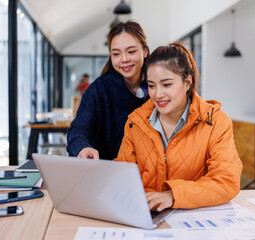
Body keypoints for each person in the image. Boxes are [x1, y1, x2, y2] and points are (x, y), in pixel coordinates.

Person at [115, 42, 242, 211]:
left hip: (194, 221)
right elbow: (122, 177)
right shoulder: (134, 123)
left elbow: (226, 181)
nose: (158, 94)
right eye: (151, 86)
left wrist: (172, 195)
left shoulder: (216, 122)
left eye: (167, 85)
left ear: (187, 83)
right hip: (146, 217)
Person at [67, 20, 150, 160]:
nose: (124, 59)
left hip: (149, 176)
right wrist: (83, 147)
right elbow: (77, 129)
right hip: (104, 173)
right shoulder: (99, 90)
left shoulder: (157, 89)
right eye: (116, 54)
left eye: (131, 51)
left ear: (145, 51)